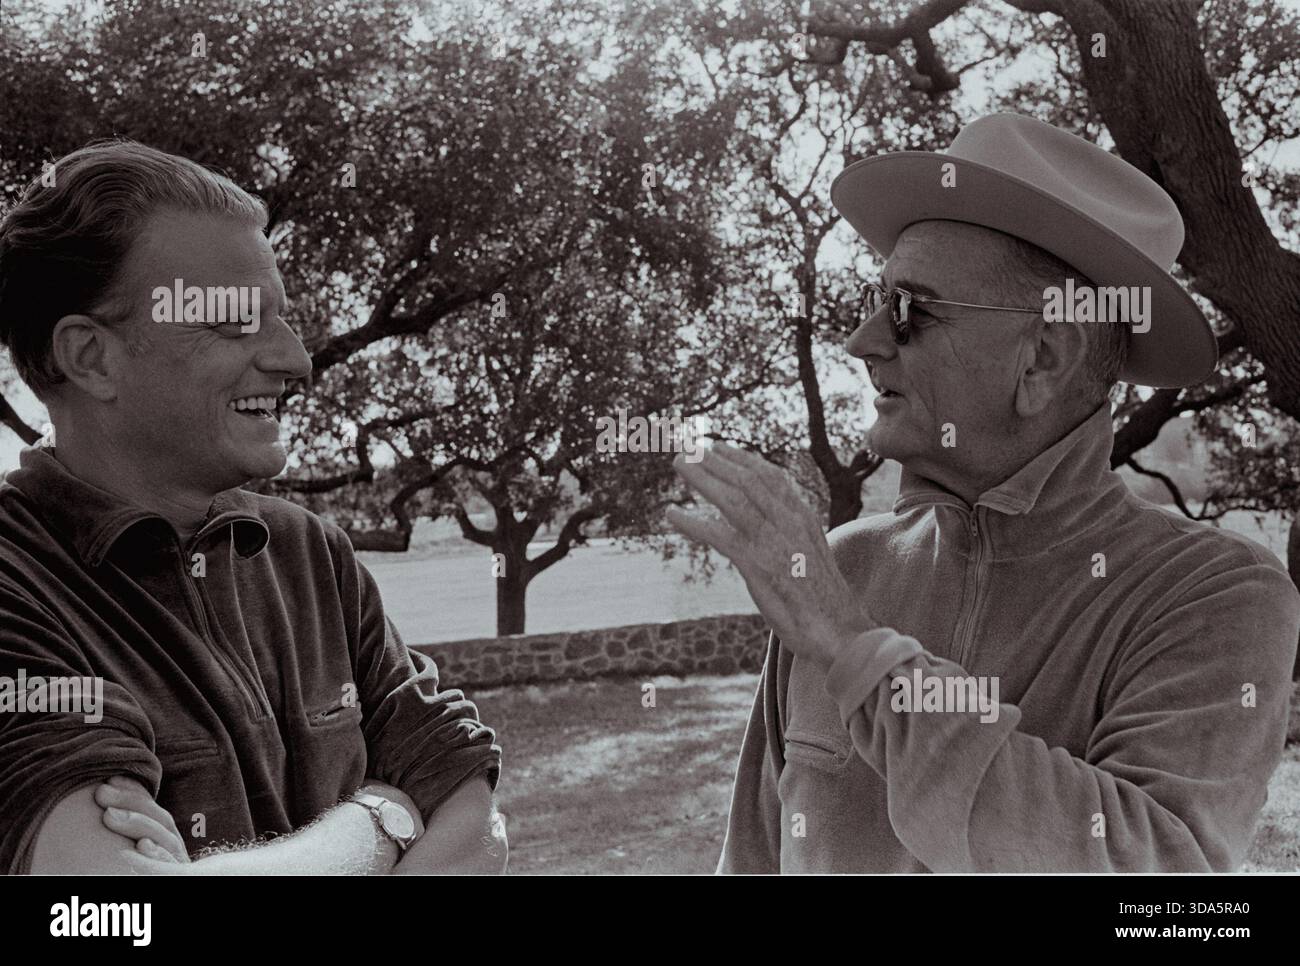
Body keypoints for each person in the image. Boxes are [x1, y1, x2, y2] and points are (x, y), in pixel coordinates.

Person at [667, 113, 1300, 872]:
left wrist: (856, 653)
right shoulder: (846, 567)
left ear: (1040, 358)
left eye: (909, 310)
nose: (861, 341)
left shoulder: (1215, 596)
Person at [0, 140, 505, 874]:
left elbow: (478, 822)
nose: (294, 360)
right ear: (91, 358)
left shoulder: (311, 554)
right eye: (235, 322)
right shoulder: (18, 589)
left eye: (283, 318)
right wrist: (381, 821)